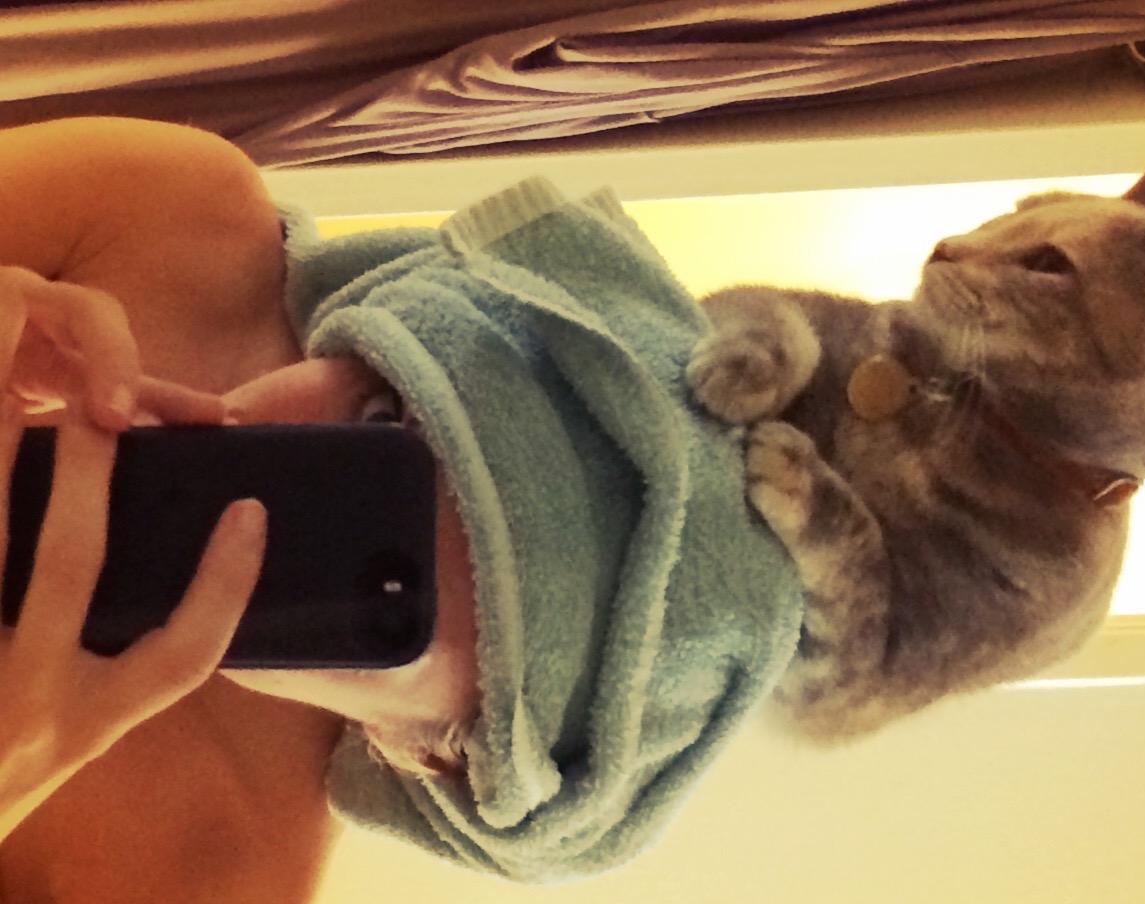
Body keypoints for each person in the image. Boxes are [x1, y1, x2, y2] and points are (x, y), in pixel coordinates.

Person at [0, 117, 803, 900]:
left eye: (384, 601)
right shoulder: (172, 217)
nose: (268, 514)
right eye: (382, 422)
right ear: (392, 333)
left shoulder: (218, 876)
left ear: (418, 754)